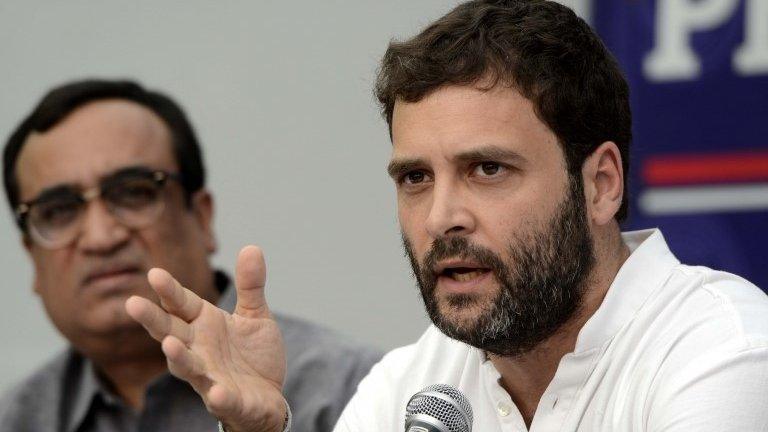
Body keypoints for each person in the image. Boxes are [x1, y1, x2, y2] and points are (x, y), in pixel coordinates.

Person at [126, 1, 768, 431]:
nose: (440, 218)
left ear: (600, 184)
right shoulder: (412, 384)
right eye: (415, 178)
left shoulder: (724, 355)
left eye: (488, 169)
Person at [0, 79, 381, 432]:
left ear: (201, 218)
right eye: (59, 211)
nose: (100, 238)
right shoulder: (16, 419)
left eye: (133, 192)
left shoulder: (358, 390)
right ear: (32, 257)